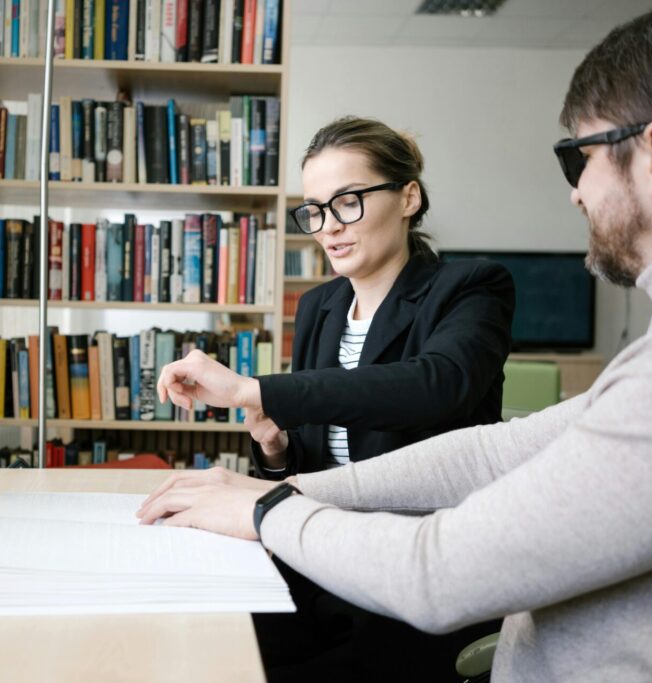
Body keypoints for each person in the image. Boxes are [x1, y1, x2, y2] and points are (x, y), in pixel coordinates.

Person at [138, 1, 652, 680]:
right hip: (343, 569)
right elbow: (495, 449)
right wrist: (278, 479)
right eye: (317, 209)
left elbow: (435, 559)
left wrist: (266, 497)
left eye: (578, 159)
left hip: (407, 601)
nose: (576, 194)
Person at [154, 116, 515, 680]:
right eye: (316, 210)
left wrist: (253, 387)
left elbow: (436, 386)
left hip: (414, 571)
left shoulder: (469, 287)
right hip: (319, 553)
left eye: (348, 202)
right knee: (216, 646)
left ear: (408, 197)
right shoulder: (320, 305)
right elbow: (320, 456)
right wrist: (276, 451)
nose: (328, 228)